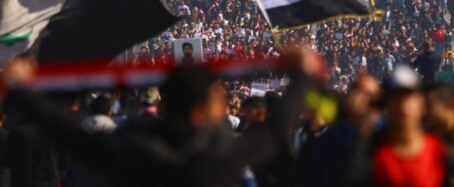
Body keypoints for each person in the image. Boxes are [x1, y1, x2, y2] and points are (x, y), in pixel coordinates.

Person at [3, 49, 323, 187]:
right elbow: (277, 128)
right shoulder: (217, 160)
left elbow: (68, 132)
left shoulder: (130, 150)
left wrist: (20, 89)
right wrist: (302, 76)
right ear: (200, 111)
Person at [372, 66, 448, 187]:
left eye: (408, 97)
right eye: (396, 98)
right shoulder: (371, 152)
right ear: (387, 105)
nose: (403, 105)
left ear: (421, 104)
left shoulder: (441, 152)